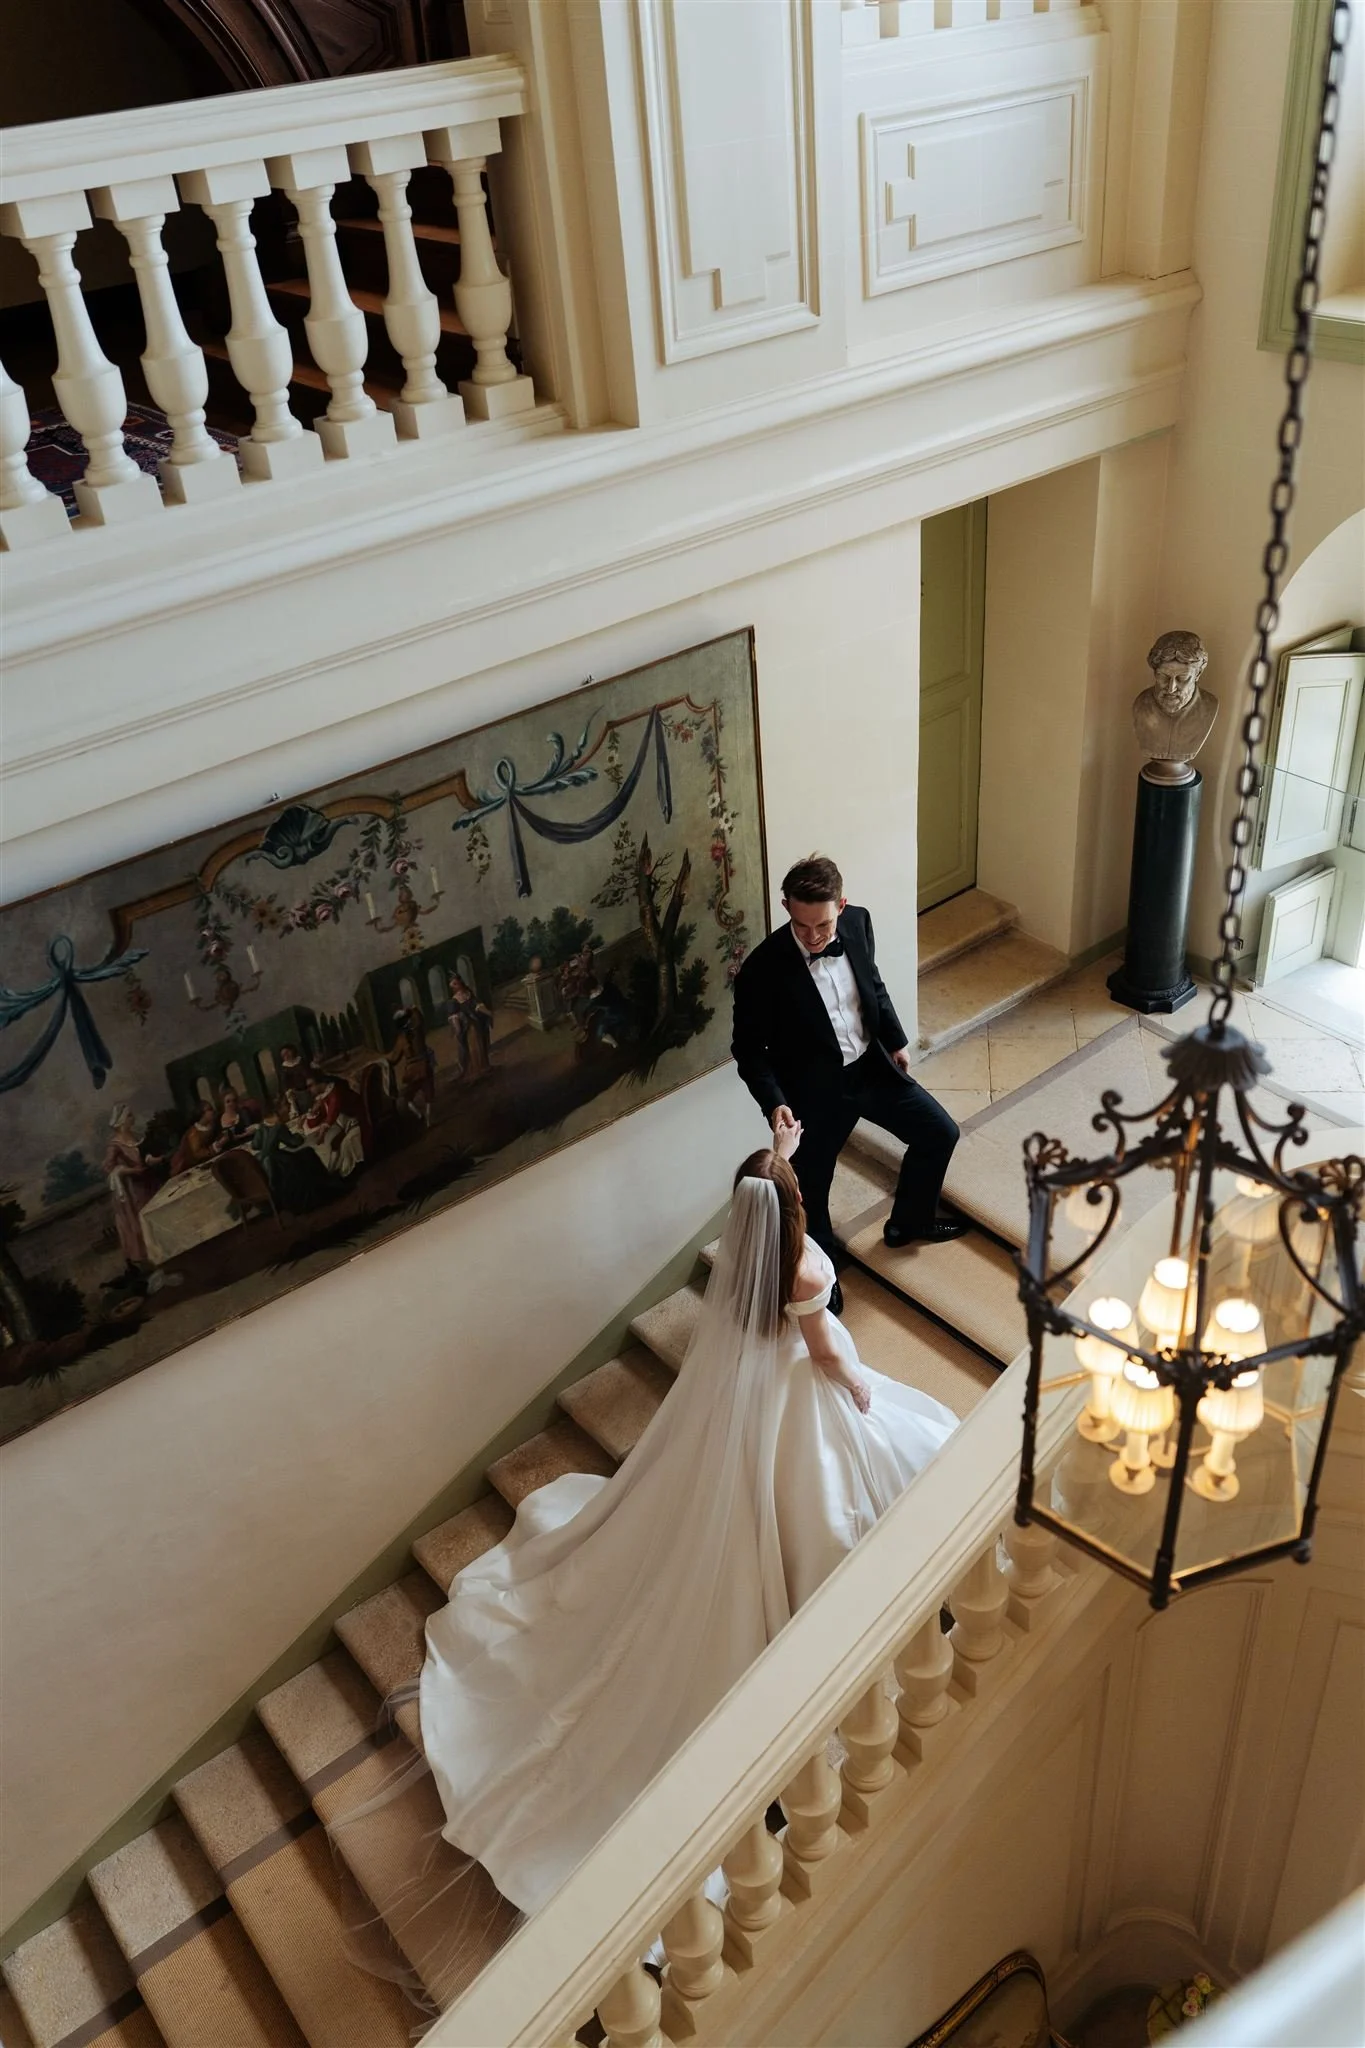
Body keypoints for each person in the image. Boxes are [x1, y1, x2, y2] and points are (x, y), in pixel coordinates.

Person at [404, 1133, 957, 1923]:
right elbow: (825, 1344)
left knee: (754, 1503)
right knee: (842, 1494)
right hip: (802, 1391)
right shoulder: (800, 1267)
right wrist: (858, 1385)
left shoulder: (745, 1256)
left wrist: (778, 1147)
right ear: (791, 1207)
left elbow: (770, 1188)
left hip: (757, 1402)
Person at [731, 854, 965, 1314]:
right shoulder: (761, 971)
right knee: (811, 1190)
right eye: (802, 926)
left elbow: (872, 984)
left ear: (842, 904)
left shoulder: (857, 924)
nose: (814, 937)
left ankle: (909, 1223)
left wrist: (895, 1040)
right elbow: (748, 1051)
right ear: (786, 907)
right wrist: (775, 1103)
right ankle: (825, 1275)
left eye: (823, 925)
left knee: (940, 1133)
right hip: (815, 1094)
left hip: (872, 1070)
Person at [102, 1105, 168, 1271]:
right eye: (129, 1115)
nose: (133, 1118)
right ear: (122, 1121)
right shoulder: (115, 1145)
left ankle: (165, 1253)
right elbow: (109, 1168)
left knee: (155, 1216)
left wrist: (151, 1159)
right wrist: (130, 1170)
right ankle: (152, 1263)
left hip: (147, 1182)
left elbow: (143, 1155)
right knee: (140, 1223)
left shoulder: (136, 1136)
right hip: (131, 1190)